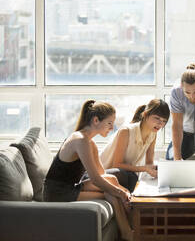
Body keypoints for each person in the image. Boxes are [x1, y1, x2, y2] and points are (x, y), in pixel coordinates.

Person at [43, 100, 133, 241]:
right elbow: (96, 179)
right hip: (57, 193)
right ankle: (128, 234)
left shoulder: (90, 143)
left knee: (112, 180)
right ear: (96, 120)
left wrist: (125, 192)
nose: (112, 127)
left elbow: (102, 175)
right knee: (112, 195)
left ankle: (130, 219)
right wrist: (120, 193)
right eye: (109, 123)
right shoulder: (80, 140)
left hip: (71, 187)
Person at [100, 99, 170, 192]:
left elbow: (149, 163)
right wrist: (145, 169)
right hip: (105, 173)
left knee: (136, 178)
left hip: (125, 174)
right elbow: (116, 165)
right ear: (145, 114)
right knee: (132, 177)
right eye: (157, 118)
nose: (160, 123)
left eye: (164, 120)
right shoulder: (126, 131)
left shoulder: (153, 134)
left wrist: (158, 170)